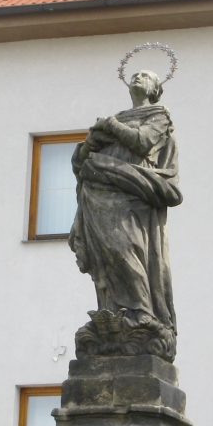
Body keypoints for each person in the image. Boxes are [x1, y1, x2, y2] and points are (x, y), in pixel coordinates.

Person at [68, 69, 182, 359]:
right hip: (97, 192)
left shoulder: (158, 116)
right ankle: (113, 312)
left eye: (146, 75)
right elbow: (80, 162)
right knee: (104, 256)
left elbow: (143, 142)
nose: (138, 77)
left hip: (131, 193)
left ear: (155, 88)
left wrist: (109, 126)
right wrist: (91, 143)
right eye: (135, 74)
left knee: (126, 248)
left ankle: (141, 312)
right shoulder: (117, 119)